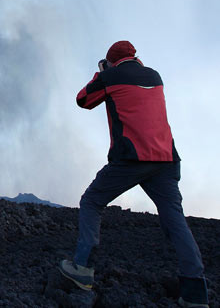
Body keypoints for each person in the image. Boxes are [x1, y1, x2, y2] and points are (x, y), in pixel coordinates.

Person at [58, 41, 209, 307]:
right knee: (175, 220)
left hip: (131, 158)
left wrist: (101, 73)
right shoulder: (154, 76)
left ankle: (82, 268)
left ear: (112, 61)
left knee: (92, 201)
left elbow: (83, 99)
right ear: (135, 57)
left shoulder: (110, 76)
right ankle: (195, 293)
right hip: (166, 159)